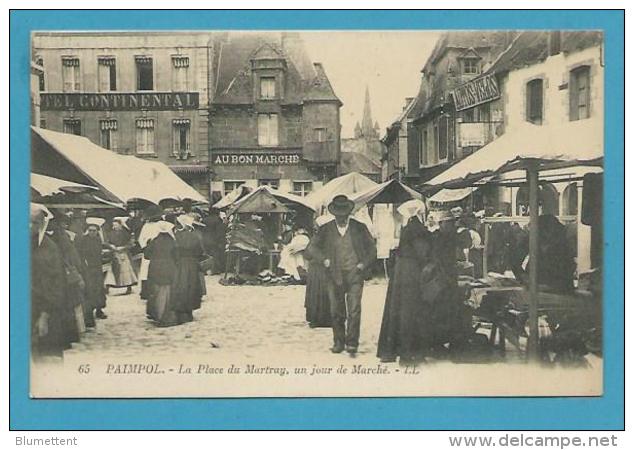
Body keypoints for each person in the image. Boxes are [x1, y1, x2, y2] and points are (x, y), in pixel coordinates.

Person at [307, 195, 377, 354]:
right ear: (334, 214)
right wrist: (323, 259)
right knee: (336, 310)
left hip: (355, 274)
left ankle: (352, 343)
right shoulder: (326, 229)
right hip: (334, 275)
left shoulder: (360, 227)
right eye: (338, 215)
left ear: (348, 213)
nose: (341, 218)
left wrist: (363, 264)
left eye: (344, 215)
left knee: (354, 309)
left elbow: (372, 249)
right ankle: (338, 342)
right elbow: (312, 248)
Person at [377, 199, 436, 365]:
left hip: (401, 271)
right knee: (410, 311)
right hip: (411, 272)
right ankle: (407, 354)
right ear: (419, 212)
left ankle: (392, 351)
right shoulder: (418, 228)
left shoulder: (407, 227)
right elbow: (422, 252)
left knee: (397, 308)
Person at [31, 204, 67, 361]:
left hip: (43, 312)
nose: (29, 226)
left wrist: (44, 316)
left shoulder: (48, 248)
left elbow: (55, 286)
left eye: (35, 222)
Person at [48, 212, 85, 347]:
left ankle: (66, 338)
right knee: (68, 307)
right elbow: (73, 257)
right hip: (66, 275)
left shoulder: (57, 238)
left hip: (63, 275)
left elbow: (70, 257)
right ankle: (69, 337)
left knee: (64, 306)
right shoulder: (63, 236)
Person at [144, 221, 179, 327]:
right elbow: (177, 257)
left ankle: (157, 315)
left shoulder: (153, 241)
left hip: (155, 268)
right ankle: (166, 316)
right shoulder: (173, 242)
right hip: (169, 268)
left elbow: (146, 256)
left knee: (156, 292)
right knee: (167, 292)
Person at [172, 215, 206, 323]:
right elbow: (200, 251)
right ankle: (189, 312)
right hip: (192, 263)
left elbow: (173, 251)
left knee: (180, 286)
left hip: (179, 264)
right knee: (192, 287)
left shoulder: (175, 236)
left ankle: (180, 312)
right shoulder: (195, 236)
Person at [75, 217, 107, 325]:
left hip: (97, 267)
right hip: (88, 268)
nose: (92, 233)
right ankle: (90, 311)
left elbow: (100, 253)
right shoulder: (83, 240)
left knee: (99, 289)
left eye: (94, 231)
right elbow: (80, 254)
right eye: (90, 231)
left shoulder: (98, 240)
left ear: (97, 231)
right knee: (90, 289)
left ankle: (99, 310)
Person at [105, 217, 138, 295]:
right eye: (114, 225)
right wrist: (111, 246)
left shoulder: (126, 233)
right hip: (114, 254)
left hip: (124, 253)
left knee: (126, 271)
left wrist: (124, 247)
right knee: (111, 271)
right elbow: (107, 242)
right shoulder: (110, 233)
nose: (115, 227)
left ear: (120, 225)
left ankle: (129, 287)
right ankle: (107, 287)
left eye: (116, 225)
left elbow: (131, 243)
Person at [201, 207, 227, 274]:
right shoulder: (218, 220)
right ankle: (214, 269)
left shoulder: (204, 220)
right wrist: (221, 241)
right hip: (214, 240)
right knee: (215, 255)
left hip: (204, 239)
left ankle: (206, 269)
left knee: (207, 255)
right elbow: (220, 232)